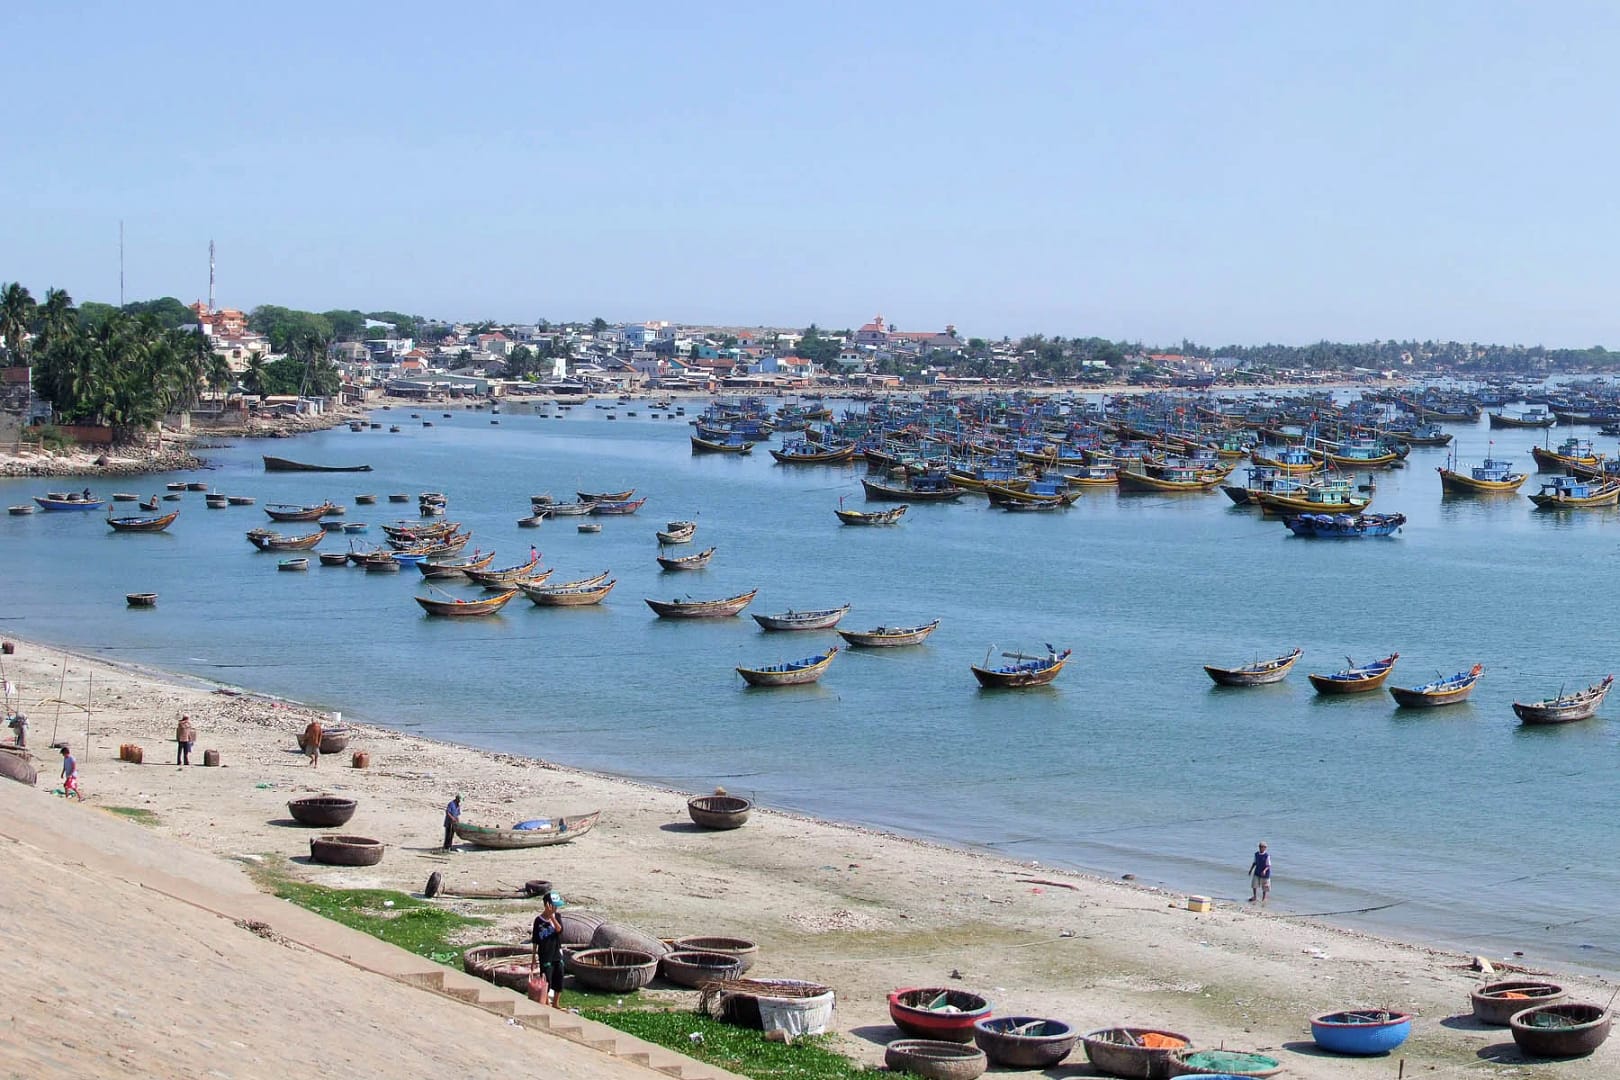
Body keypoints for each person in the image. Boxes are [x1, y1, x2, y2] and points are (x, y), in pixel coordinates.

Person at [530, 891, 565, 1007]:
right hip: (545, 954)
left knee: (559, 975)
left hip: (556, 952)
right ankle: (546, 1002)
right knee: (546, 978)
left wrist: (551, 917)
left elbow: (559, 929)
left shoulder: (557, 917)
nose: (556, 908)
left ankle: (556, 1002)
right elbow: (535, 940)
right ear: (547, 905)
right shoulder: (538, 921)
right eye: (554, 905)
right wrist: (533, 957)